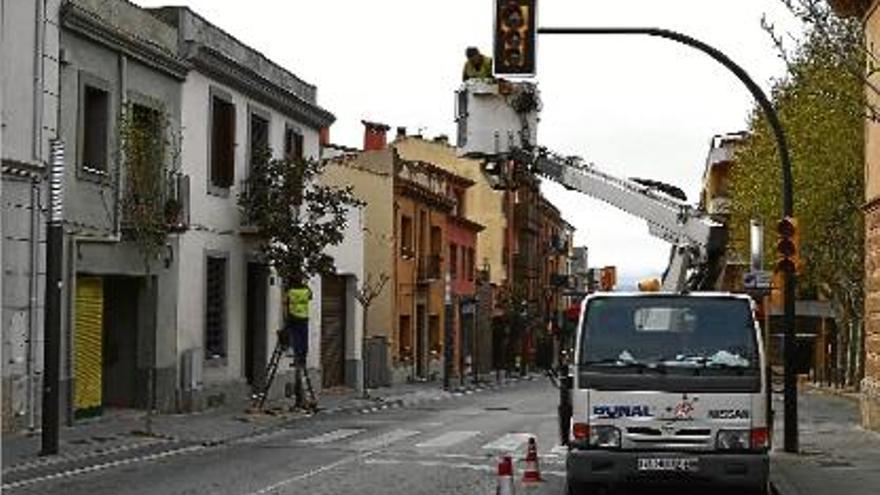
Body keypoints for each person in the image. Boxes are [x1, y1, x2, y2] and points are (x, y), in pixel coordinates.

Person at [285, 282, 312, 408]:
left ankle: (296, 355)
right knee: (303, 342)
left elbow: (286, 302)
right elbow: (310, 297)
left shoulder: (290, 291)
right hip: (304, 319)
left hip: (293, 318)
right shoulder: (306, 291)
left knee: (295, 340)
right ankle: (302, 357)